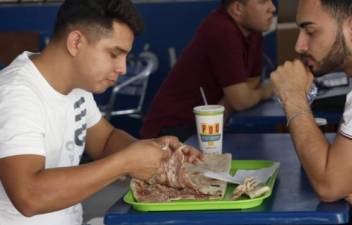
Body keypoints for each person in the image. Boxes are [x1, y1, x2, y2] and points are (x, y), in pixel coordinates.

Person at [0, 1, 202, 224]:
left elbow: (105, 140)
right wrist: (126, 163)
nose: (123, 68)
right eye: (114, 54)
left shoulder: (76, 85)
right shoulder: (16, 94)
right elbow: (29, 196)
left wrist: (158, 154)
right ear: (76, 42)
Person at [270, 0, 352, 224]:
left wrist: (293, 96)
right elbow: (337, 177)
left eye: (310, 31)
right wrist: (351, 174)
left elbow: (328, 185)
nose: (299, 45)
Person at [141, 0, 276, 141]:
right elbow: (240, 100)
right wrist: (264, 92)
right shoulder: (221, 29)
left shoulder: (254, 32)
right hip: (173, 129)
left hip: (207, 125)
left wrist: (236, 98)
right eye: (262, 2)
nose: (272, 8)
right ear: (237, 8)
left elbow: (251, 84)